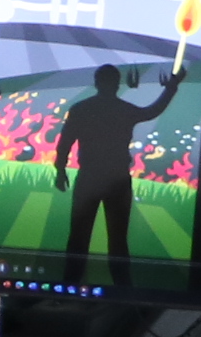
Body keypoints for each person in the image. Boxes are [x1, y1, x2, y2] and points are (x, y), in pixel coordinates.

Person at [51, 62, 183, 282]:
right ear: (117, 84)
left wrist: (60, 169)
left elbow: (65, 142)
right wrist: (171, 88)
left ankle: (69, 286)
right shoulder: (124, 109)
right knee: (118, 240)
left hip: (90, 178)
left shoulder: (81, 109)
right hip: (118, 179)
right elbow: (152, 111)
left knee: (79, 238)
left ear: (96, 83)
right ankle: (122, 288)